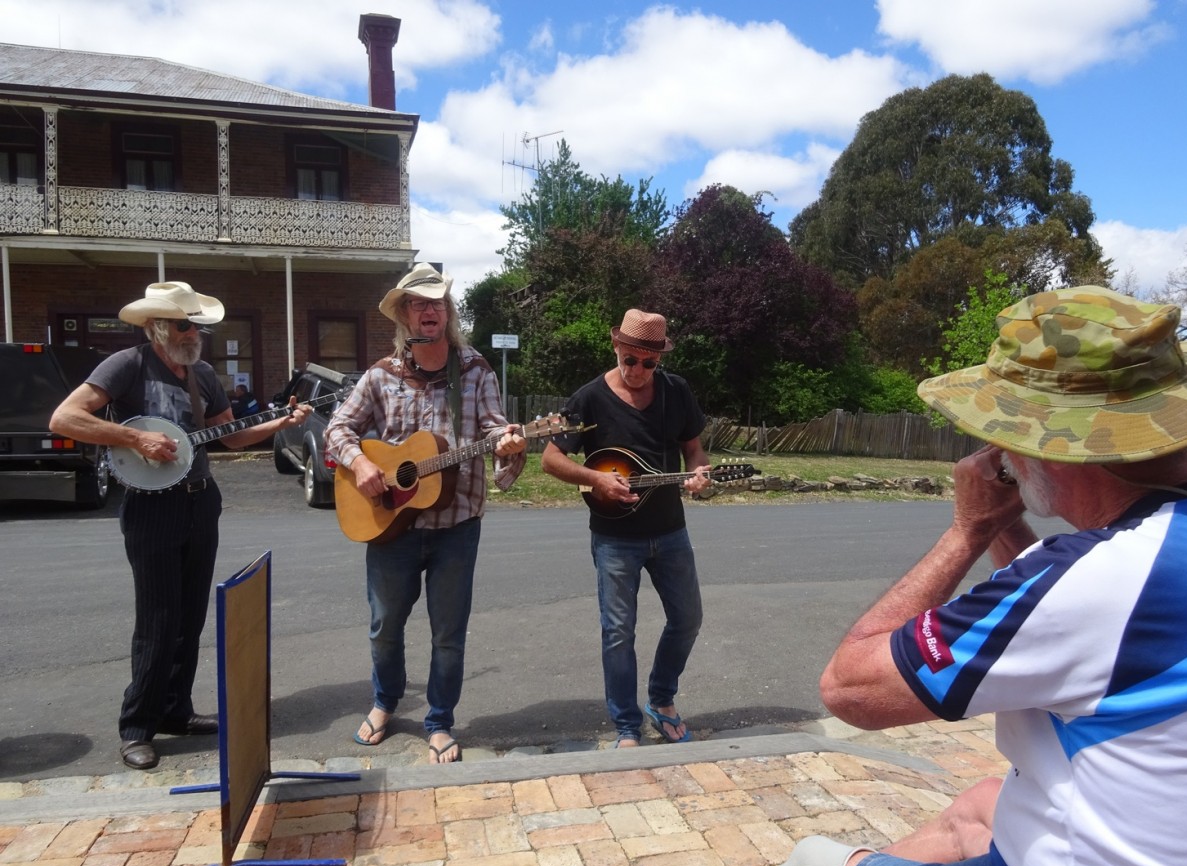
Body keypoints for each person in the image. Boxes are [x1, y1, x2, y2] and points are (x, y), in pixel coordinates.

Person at [760, 286, 1187, 866]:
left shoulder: (1103, 578)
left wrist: (967, 530)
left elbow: (851, 687)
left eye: (1010, 435)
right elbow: (1055, 604)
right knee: (977, 805)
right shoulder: (1155, 553)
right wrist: (1000, 523)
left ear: (1059, 446)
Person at [49, 281, 312, 770]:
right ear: (158, 327)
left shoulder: (203, 374)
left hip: (199, 500)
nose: (197, 334)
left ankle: (176, 710)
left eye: (199, 325)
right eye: (187, 324)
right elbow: (64, 418)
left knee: (190, 615)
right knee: (157, 619)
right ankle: (137, 727)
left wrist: (280, 424)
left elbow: (230, 438)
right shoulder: (127, 364)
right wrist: (136, 438)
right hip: (151, 507)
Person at [324, 262, 527, 764]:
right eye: (419, 303)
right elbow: (337, 430)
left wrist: (509, 446)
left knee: (448, 633)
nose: (429, 311)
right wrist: (363, 465)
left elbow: (498, 430)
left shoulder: (475, 370)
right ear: (405, 316)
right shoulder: (380, 376)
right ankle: (386, 701)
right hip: (389, 522)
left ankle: (439, 721)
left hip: (456, 524)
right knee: (385, 625)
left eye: (437, 303)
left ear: (448, 313)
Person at [541, 309, 710, 748]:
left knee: (688, 618)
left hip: (671, 531)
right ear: (616, 346)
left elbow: (694, 450)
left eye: (648, 364)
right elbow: (551, 459)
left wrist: (699, 476)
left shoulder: (676, 392)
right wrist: (595, 478)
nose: (637, 371)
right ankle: (625, 726)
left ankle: (662, 699)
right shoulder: (589, 399)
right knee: (618, 632)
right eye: (630, 359)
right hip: (614, 538)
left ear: (659, 361)